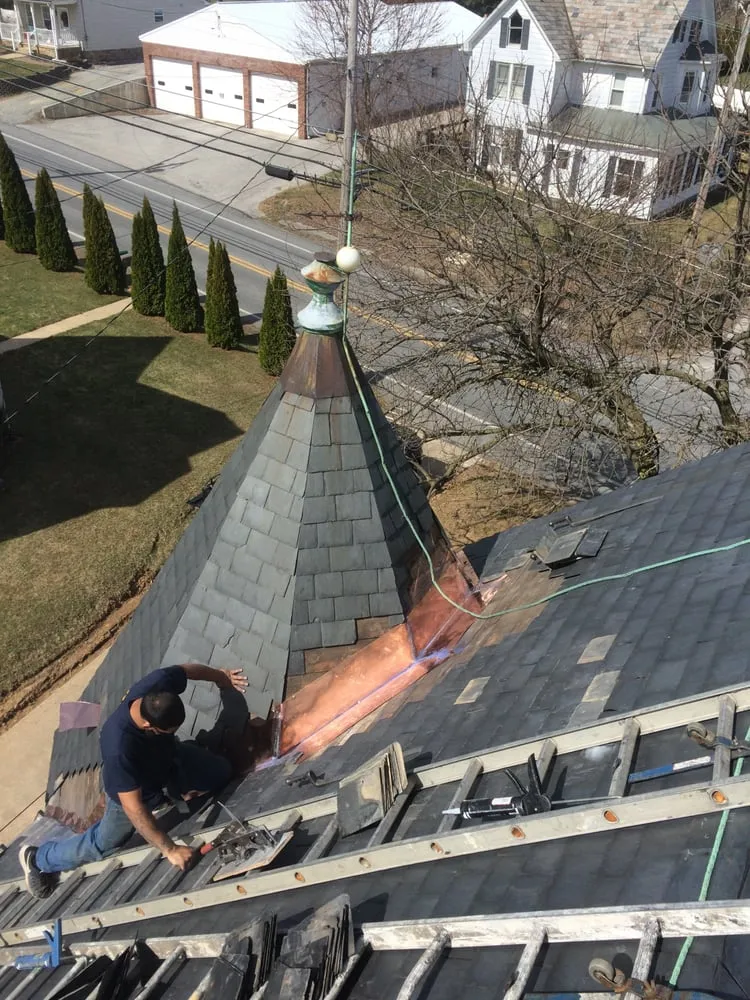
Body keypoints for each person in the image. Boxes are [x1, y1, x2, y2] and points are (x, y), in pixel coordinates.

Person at [20, 662, 248, 899]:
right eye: (168, 730)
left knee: (222, 771)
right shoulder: (119, 748)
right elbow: (134, 808)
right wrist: (170, 849)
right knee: (103, 844)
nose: (173, 731)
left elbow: (187, 670)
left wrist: (220, 677)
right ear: (149, 725)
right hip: (130, 797)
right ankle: (39, 859)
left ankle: (174, 785)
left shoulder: (156, 686)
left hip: (168, 760)